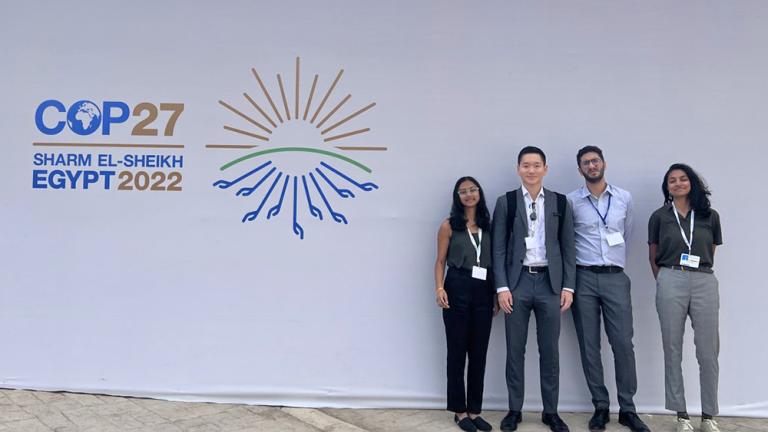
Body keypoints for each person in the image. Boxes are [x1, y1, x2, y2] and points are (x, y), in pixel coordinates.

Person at [491, 146, 575, 432]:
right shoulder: (507, 202)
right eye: (525, 165)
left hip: (551, 284)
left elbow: (568, 247)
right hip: (518, 284)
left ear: (545, 169)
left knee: (549, 351)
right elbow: (498, 247)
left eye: (536, 165)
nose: (531, 170)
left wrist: (568, 286)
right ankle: (515, 410)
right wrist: (502, 287)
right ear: (518, 169)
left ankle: (550, 411)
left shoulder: (560, 203)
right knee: (515, 350)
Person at [566, 146, 650, 432]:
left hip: (615, 277)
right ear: (580, 170)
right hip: (584, 278)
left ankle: (628, 408)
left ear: (603, 164)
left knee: (623, 344)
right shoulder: (571, 201)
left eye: (595, 161)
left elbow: (627, 233)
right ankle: (600, 406)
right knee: (589, 345)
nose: (591, 166)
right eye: (586, 163)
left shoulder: (624, 198)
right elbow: (567, 241)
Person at [648, 164, 723, 432]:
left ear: (691, 182)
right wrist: (667, 279)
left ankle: (708, 416)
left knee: (708, 350)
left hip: (703, 278)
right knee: (673, 348)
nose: (677, 183)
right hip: (670, 278)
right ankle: (681, 415)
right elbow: (653, 254)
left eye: (682, 179)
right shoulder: (659, 216)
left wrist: (694, 272)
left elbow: (711, 250)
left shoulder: (709, 216)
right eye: (672, 180)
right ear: (666, 187)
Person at [435, 176, 495, 432]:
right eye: (463, 191)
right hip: (457, 286)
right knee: (457, 352)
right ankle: (460, 412)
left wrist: (494, 296)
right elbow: (439, 261)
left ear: (479, 193)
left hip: (484, 289)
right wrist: (439, 288)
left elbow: (493, 261)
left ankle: (475, 410)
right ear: (457, 197)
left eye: (473, 190)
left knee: (479, 353)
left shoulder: (488, 225)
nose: (469, 194)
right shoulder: (449, 225)